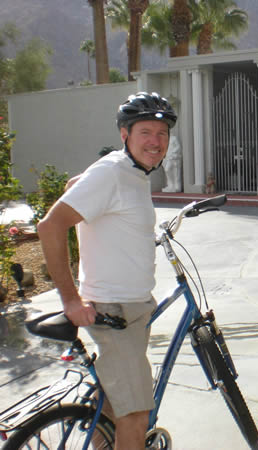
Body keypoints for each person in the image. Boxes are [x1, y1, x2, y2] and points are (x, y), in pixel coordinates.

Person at [37, 92, 177, 450]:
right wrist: (70, 299)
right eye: (146, 132)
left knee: (114, 409)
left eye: (162, 134)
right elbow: (51, 226)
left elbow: (78, 190)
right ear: (124, 134)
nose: (155, 142)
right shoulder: (114, 172)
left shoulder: (129, 171)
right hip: (114, 313)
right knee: (135, 416)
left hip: (130, 310)